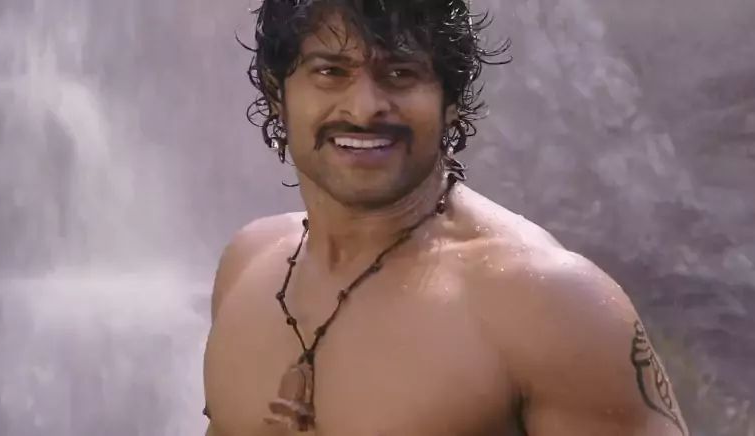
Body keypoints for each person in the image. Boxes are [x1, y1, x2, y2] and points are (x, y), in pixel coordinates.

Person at [202, 1, 690, 435]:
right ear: (277, 95)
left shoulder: (549, 304)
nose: (364, 108)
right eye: (330, 71)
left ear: (450, 102)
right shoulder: (247, 266)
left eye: (401, 73)